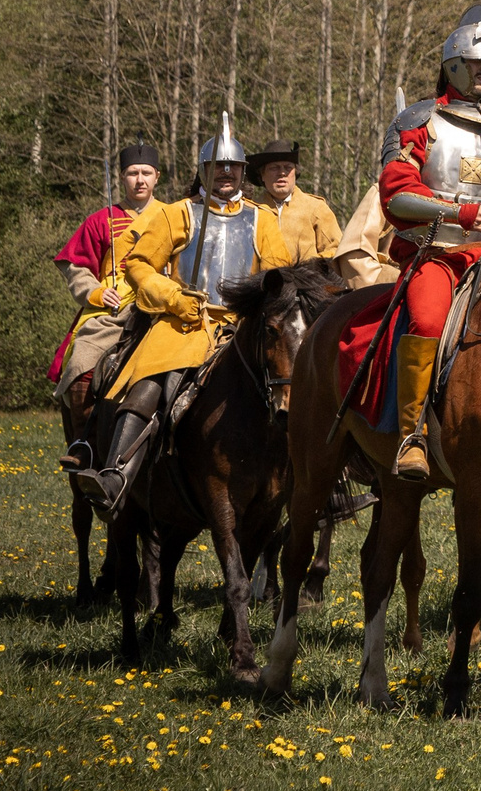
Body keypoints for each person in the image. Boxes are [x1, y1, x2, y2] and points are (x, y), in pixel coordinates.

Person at [68, 116, 293, 515]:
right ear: (203, 171)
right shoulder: (176, 214)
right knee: (150, 382)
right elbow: (139, 265)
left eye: (232, 167)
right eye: (216, 167)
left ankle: (313, 479)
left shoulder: (262, 220)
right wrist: (173, 297)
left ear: (243, 172)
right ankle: (116, 474)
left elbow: (275, 274)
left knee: (291, 376)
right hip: (184, 322)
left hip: (240, 326)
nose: (225, 173)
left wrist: (252, 306)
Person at [375, 5, 481, 483]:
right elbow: (398, 194)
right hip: (437, 253)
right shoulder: (418, 121)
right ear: (453, 64)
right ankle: (412, 433)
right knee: (428, 318)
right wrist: (461, 212)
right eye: (479, 63)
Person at [52, 140, 166, 460]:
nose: (139, 180)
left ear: (157, 176)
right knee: (80, 364)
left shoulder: (174, 216)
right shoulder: (101, 219)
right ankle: (84, 445)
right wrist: (96, 292)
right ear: (122, 178)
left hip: (162, 305)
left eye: (146, 173)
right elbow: (75, 266)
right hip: (113, 310)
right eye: (132, 173)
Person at [247, 138, 340, 263]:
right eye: (274, 168)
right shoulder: (251, 210)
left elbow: (336, 251)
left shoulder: (316, 208)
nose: (282, 173)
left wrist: (307, 269)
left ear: (295, 173)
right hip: (260, 282)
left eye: (288, 167)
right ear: (262, 175)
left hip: (308, 281)